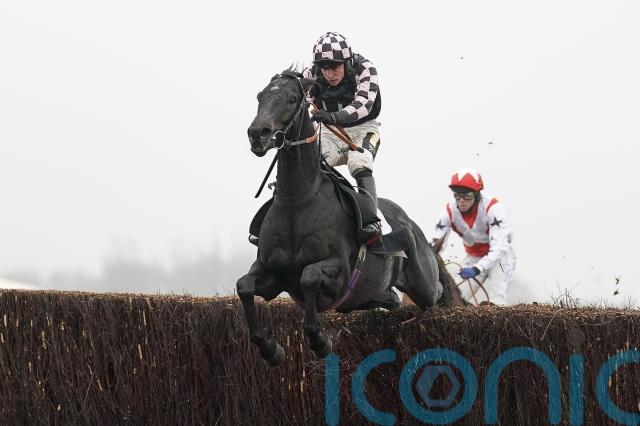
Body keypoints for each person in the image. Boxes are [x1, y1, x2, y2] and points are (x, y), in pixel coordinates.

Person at [302, 31, 383, 244]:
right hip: (329, 131)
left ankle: (371, 222)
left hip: (363, 129)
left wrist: (333, 116)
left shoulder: (365, 69)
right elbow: (302, 102)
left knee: (359, 161)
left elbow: (364, 105)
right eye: (324, 68)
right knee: (310, 165)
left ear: (347, 62)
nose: (329, 74)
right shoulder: (310, 73)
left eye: (335, 67)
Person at [431, 168, 516, 306]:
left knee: (496, 301)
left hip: (500, 258)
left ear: (477, 195)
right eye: (457, 196)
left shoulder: (494, 208)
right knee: (452, 296)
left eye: (467, 196)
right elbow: (435, 243)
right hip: (473, 257)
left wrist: (478, 268)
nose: (461, 201)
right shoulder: (449, 211)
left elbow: (499, 248)